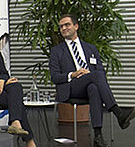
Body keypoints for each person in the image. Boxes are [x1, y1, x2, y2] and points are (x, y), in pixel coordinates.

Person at [49, 14, 135, 147]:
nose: (64, 28)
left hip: (89, 85)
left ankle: (98, 136)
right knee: (96, 76)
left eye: (67, 25)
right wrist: (73, 74)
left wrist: (89, 75)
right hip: (71, 87)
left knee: (94, 87)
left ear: (76, 26)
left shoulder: (91, 48)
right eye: (61, 27)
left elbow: (100, 70)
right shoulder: (56, 51)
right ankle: (118, 112)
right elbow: (54, 77)